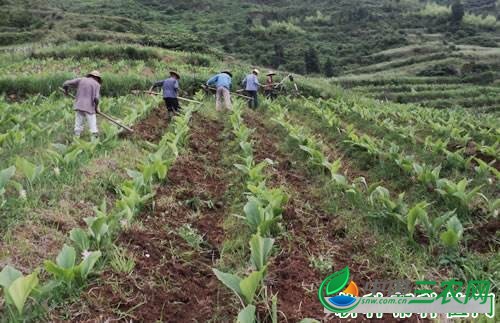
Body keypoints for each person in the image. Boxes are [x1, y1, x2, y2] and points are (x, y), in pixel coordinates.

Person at [62, 70, 102, 139]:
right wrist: (96, 108)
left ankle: (76, 139)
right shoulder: (97, 84)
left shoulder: (81, 80)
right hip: (89, 107)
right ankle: (94, 141)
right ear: (97, 78)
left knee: (78, 124)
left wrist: (66, 91)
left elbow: (65, 83)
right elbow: (96, 99)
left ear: (90, 76)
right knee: (93, 126)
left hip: (79, 105)